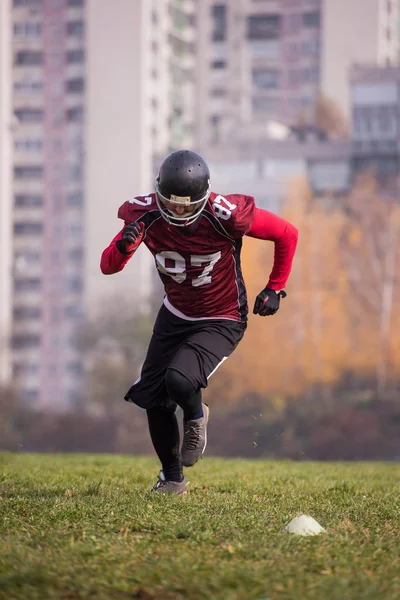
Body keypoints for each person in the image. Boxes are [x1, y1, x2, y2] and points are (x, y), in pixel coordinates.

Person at [100, 149, 298, 495]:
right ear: (159, 193)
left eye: (186, 206)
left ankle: (195, 415)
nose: (177, 211)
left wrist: (275, 288)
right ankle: (172, 479)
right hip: (175, 312)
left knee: (179, 380)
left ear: (202, 199)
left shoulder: (226, 215)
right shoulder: (143, 214)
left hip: (221, 316)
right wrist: (124, 245)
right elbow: (108, 266)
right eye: (171, 204)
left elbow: (287, 233)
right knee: (153, 397)